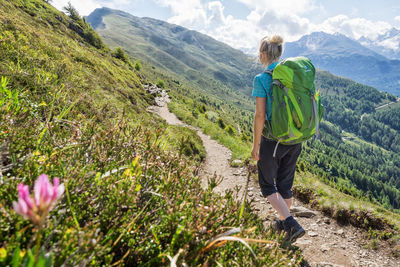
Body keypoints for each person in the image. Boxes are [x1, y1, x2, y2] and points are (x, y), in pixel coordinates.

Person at [251, 35, 305, 243]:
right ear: (280, 53)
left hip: (274, 140)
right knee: (285, 185)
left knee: (267, 185)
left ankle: (291, 223)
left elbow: (260, 116)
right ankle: (283, 224)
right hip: (296, 138)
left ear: (263, 55)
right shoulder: (293, 75)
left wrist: (256, 145)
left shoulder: (262, 79)